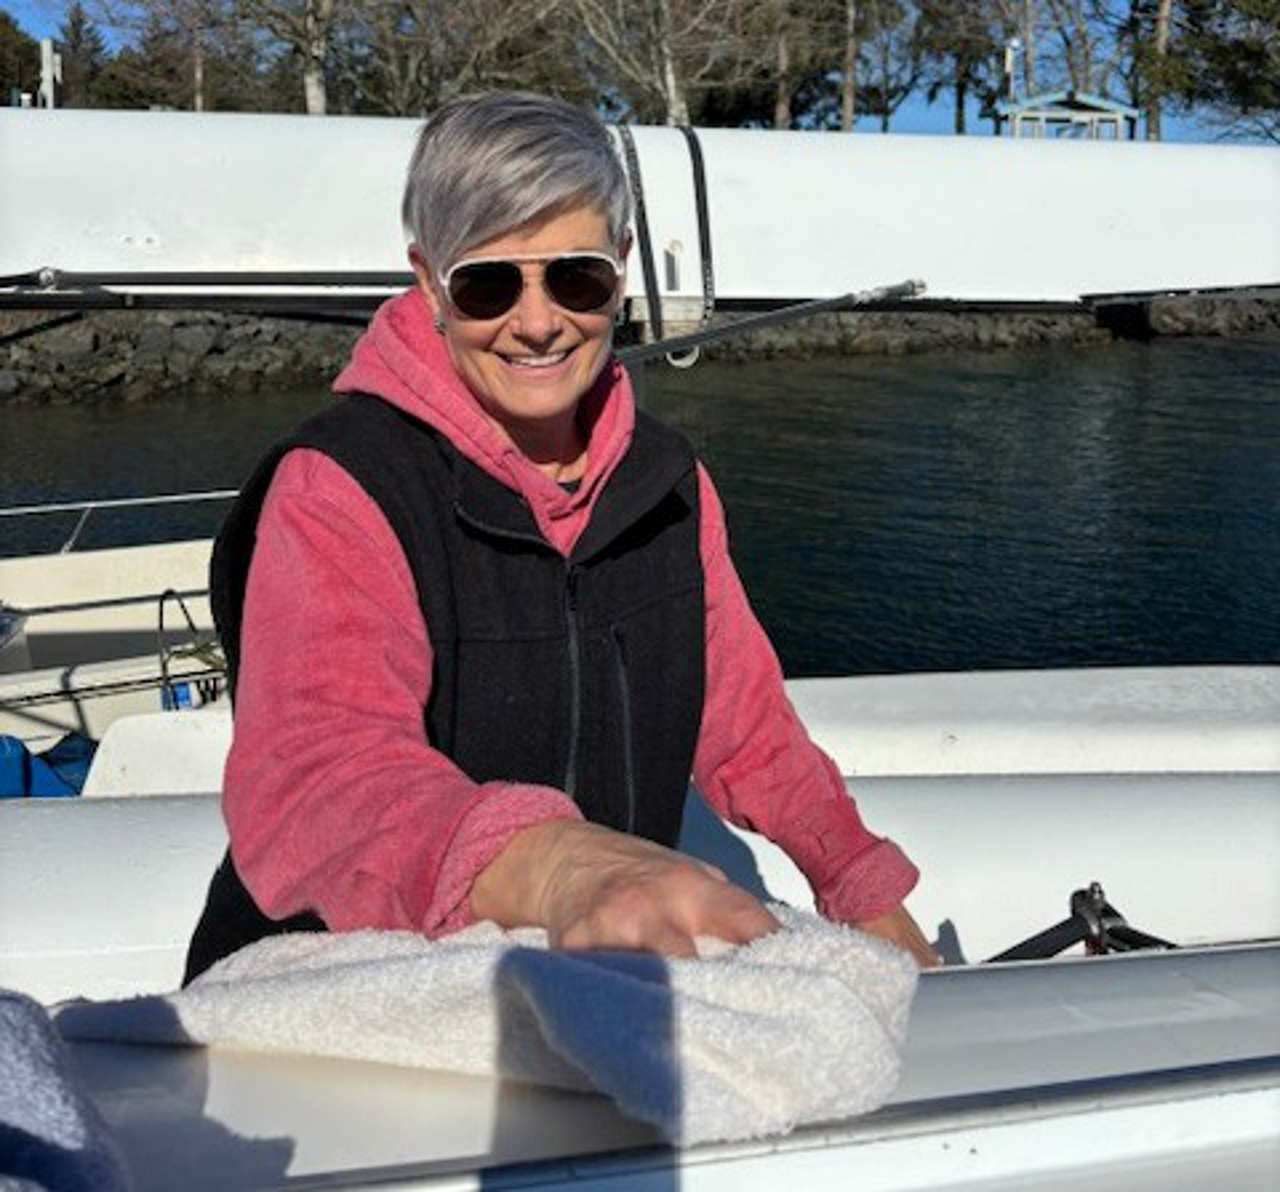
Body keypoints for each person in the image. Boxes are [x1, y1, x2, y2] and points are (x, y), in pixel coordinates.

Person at [184, 91, 937, 982]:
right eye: (487, 283)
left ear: (621, 267)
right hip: (338, 978)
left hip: (590, 965)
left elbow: (747, 726)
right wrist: (567, 865)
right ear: (428, 283)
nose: (538, 321)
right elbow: (323, 772)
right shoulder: (343, 486)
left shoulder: (668, 484)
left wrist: (863, 890)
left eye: (575, 277)